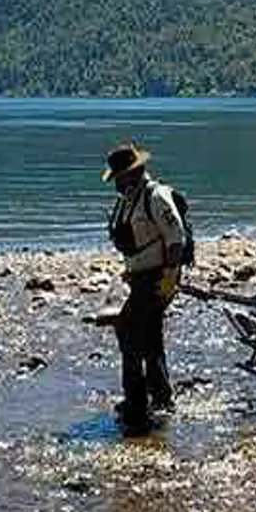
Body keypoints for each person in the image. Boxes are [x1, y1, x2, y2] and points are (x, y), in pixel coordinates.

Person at [104, 142, 187, 426]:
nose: (116, 184)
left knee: (127, 331)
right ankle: (162, 397)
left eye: (119, 178)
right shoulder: (129, 199)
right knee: (150, 336)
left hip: (158, 278)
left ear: (134, 172)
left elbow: (176, 239)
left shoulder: (156, 197)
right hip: (141, 278)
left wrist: (169, 277)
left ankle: (136, 404)